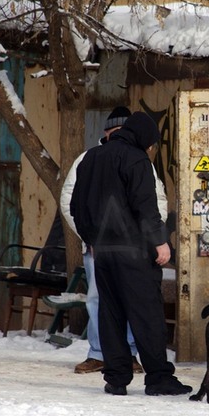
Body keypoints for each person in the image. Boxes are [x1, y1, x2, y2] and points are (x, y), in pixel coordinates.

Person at [70, 111, 191, 396]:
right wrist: (160, 242)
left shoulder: (91, 158)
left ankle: (116, 378)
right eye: (151, 143)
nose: (151, 149)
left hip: (103, 252)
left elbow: (76, 206)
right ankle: (159, 378)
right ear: (144, 139)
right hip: (134, 251)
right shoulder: (136, 160)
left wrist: (92, 239)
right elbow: (145, 207)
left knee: (110, 314)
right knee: (146, 314)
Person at [60, 106, 167, 374]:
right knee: (108, 302)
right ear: (107, 133)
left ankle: (123, 362)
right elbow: (72, 201)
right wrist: (92, 239)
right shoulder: (94, 158)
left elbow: (155, 200)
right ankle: (102, 355)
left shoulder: (126, 158)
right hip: (114, 248)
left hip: (117, 247)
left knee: (114, 304)